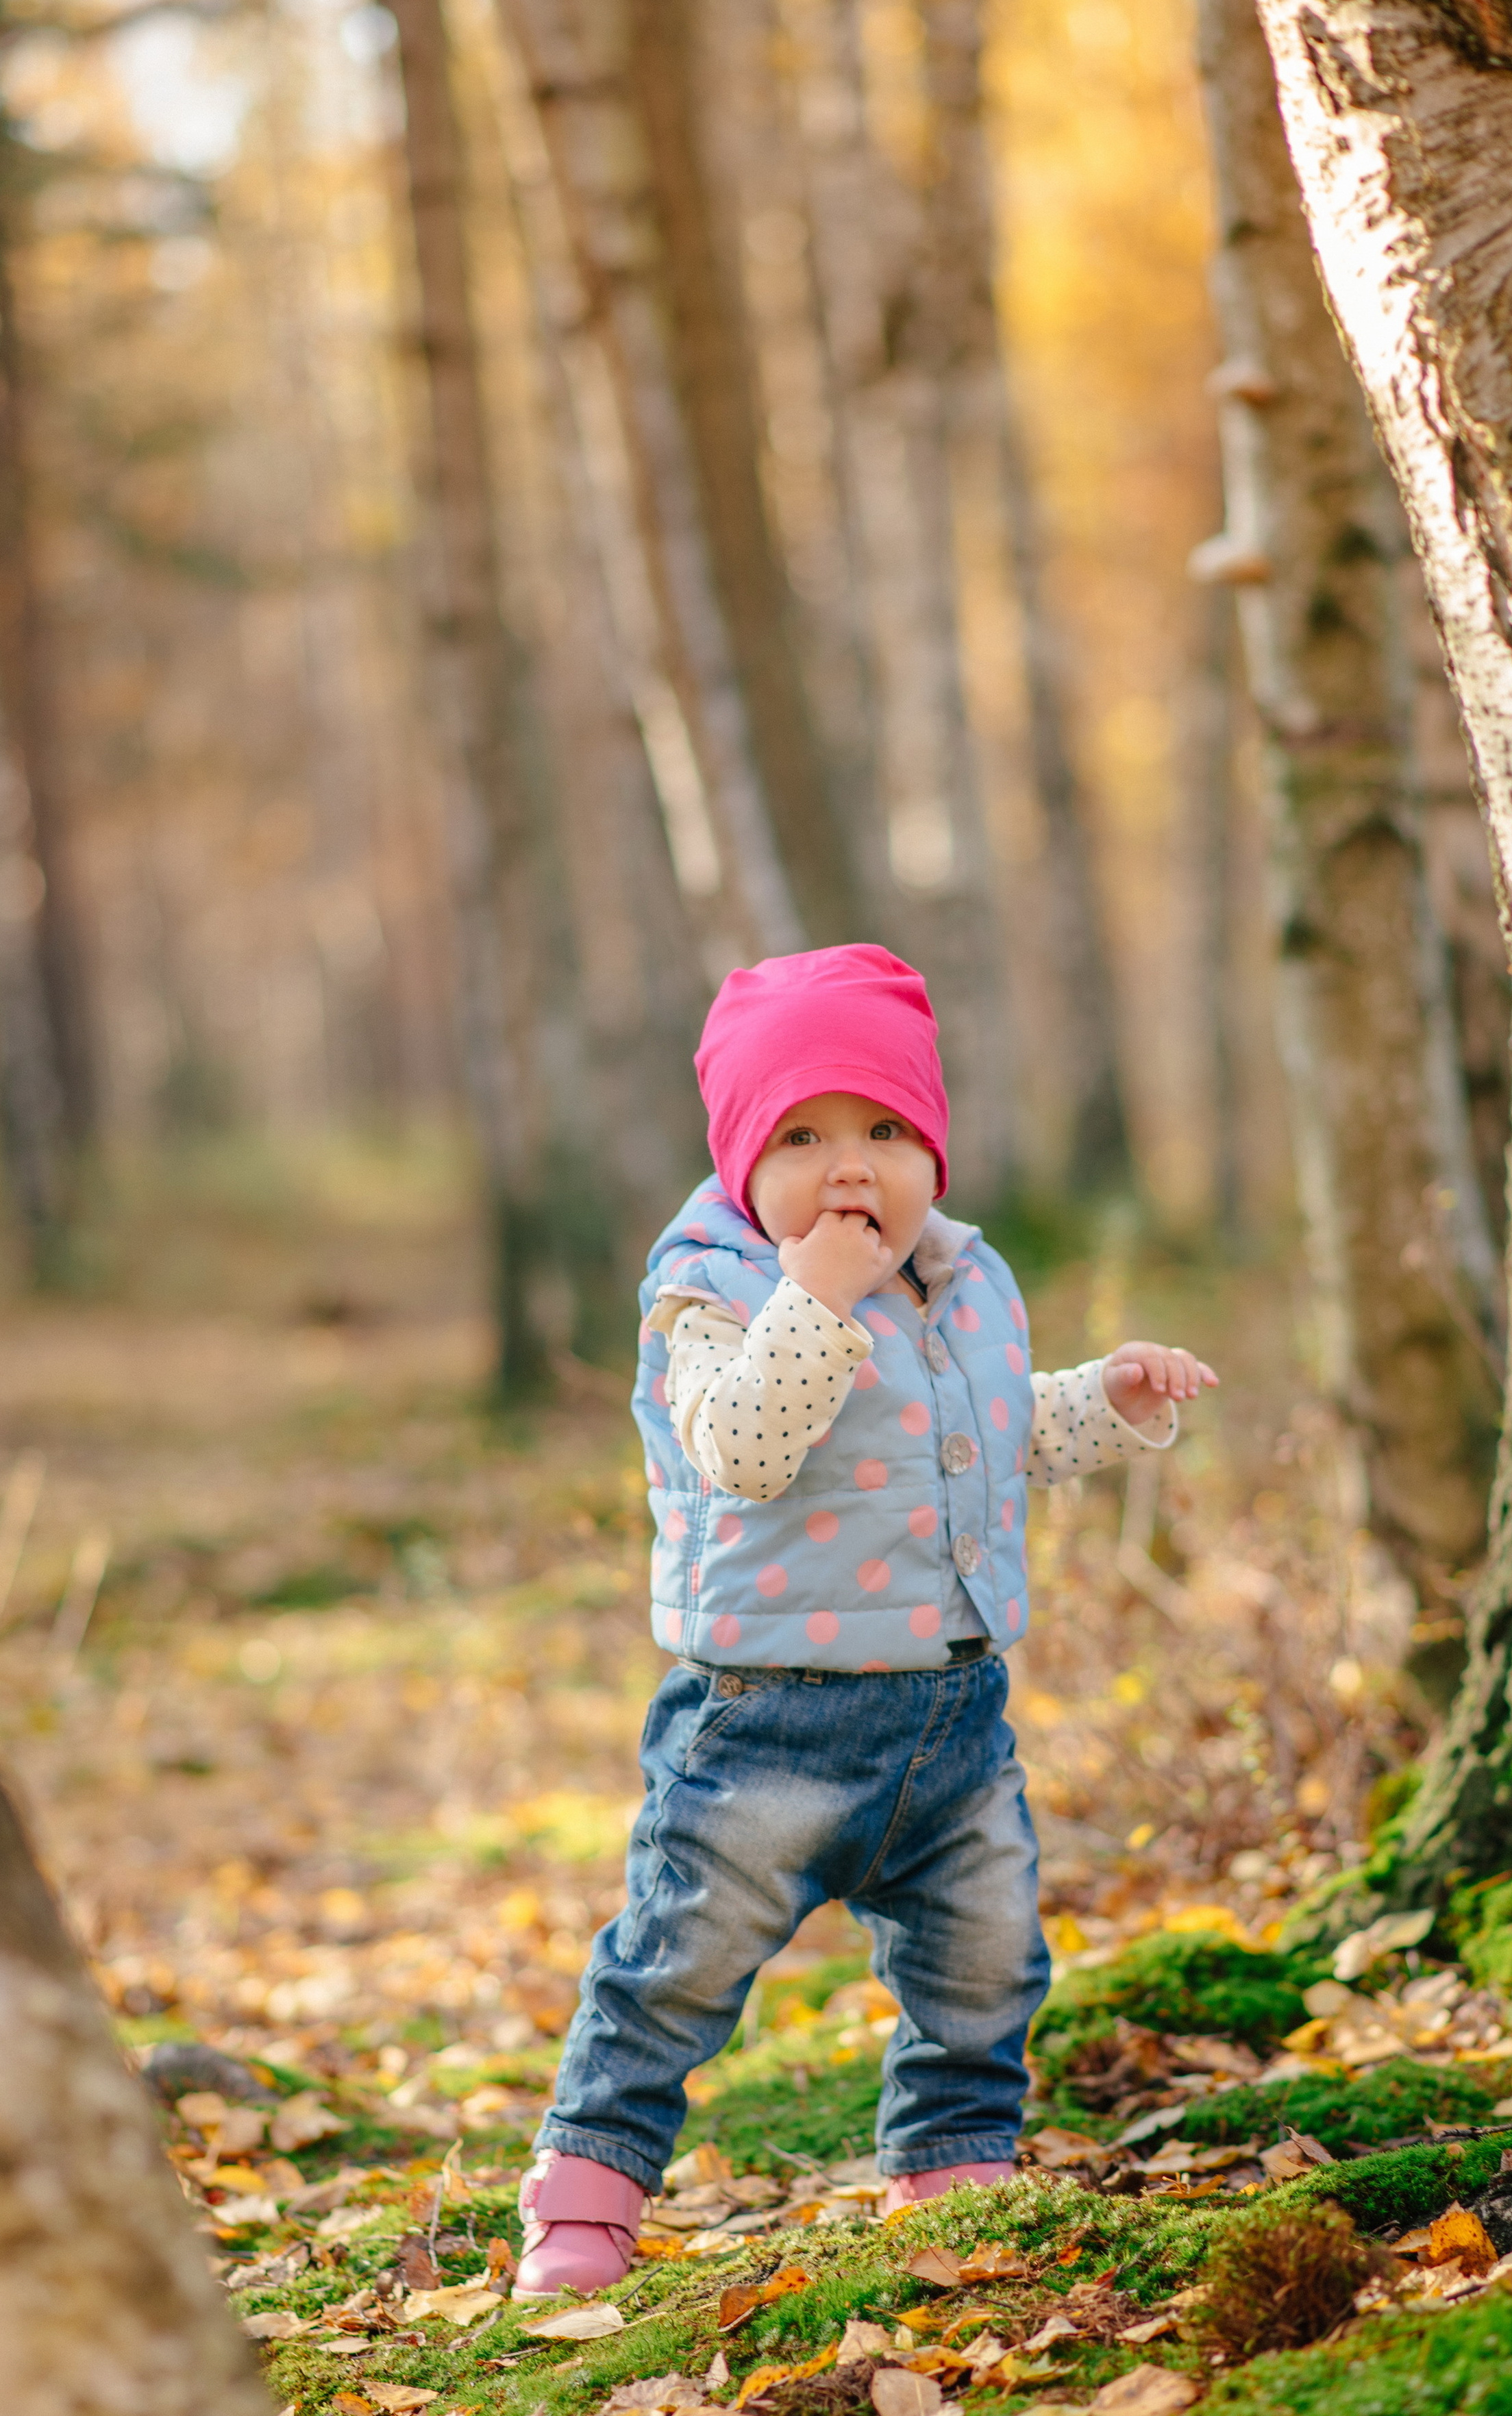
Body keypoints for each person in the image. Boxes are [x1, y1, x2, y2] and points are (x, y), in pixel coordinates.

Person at [515, 945, 1217, 2294]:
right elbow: (742, 1449)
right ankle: (586, 2193)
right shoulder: (709, 1297)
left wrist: (1102, 1401)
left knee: (985, 1957)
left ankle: (951, 2169)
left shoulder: (957, 1280)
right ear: (737, 1163)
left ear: (933, 1152)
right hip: (767, 1720)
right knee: (676, 1960)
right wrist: (813, 1300)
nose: (851, 1169)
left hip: (950, 1710)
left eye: (885, 1132)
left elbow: (986, 1441)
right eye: (803, 1136)